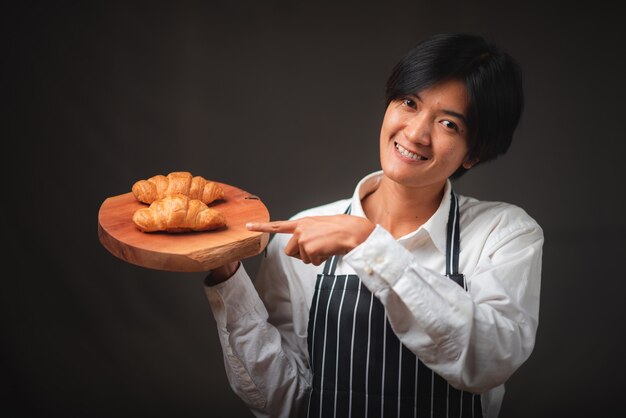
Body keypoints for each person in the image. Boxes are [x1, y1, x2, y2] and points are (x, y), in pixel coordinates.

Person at [203, 33, 543, 418]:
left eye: (448, 123)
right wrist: (225, 272)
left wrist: (367, 242)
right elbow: (281, 399)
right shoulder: (303, 232)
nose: (416, 133)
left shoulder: (504, 234)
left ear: (475, 154)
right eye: (409, 103)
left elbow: (487, 361)